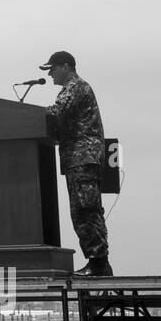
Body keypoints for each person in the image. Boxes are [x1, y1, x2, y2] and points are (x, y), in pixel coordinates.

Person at [40, 50, 112, 276]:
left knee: (86, 210)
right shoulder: (72, 88)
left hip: (83, 158)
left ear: (65, 66)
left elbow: (57, 113)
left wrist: (24, 114)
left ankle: (99, 262)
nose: (50, 74)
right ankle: (97, 261)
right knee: (81, 211)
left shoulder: (76, 87)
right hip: (77, 159)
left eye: (53, 68)